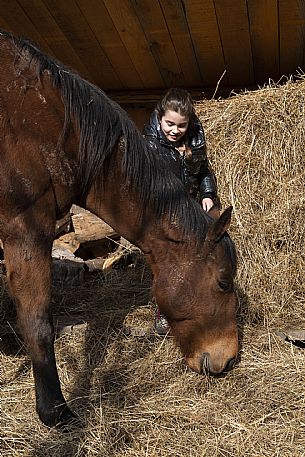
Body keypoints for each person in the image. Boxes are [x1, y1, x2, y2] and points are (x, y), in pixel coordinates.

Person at [143, 88, 219, 335]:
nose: (175, 131)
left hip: (192, 208)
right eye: (169, 124)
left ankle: (194, 306)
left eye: (181, 126)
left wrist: (208, 195)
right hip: (164, 211)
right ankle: (162, 312)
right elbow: (149, 183)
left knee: (197, 259)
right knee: (168, 263)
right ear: (160, 117)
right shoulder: (150, 143)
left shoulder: (196, 139)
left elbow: (204, 172)